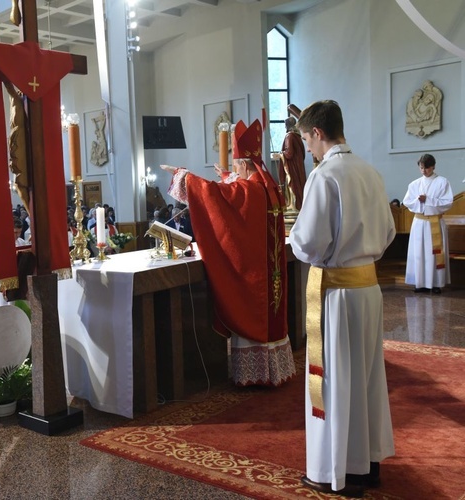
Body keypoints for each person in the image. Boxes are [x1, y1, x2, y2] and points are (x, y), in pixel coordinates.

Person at [288, 100, 396, 497]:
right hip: (368, 289)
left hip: (336, 295)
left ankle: (334, 471)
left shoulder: (325, 175)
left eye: (306, 140)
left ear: (318, 133)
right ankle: (367, 463)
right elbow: (387, 233)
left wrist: (296, 240)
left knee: (331, 380)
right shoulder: (370, 171)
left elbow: (310, 242)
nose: (307, 149)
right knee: (366, 376)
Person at [162, 118, 296, 388]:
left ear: (244, 165)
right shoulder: (267, 187)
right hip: (273, 278)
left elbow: (216, 197)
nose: (235, 171)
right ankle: (273, 370)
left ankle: (255, 376)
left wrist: (183, 176)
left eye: (236, 167)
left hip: (256, 280)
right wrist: (226, 176)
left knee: (251, 307)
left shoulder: (250, 189)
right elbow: (235, 194)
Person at [402, 153, 453, 294]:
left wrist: (428, 200)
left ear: (433, 166)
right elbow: (407, 202)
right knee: (418, 253)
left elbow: (447, 203)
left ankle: (436, 283)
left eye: (427, 168)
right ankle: (420, 283)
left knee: (434, 254)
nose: (424, 171)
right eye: (421, 168)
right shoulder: (414, 184)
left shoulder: (442, 182)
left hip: (435, 222)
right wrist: (418, 200)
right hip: (419, 223)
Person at [275, 116, 307, 210]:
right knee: (299, 185)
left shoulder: (289, 136)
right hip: (298, 166)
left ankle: (293, 205)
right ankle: (298, 205)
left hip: (292, 167)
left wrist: (280, 154)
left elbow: (289, 153)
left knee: (293, 185)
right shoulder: (297, 136)